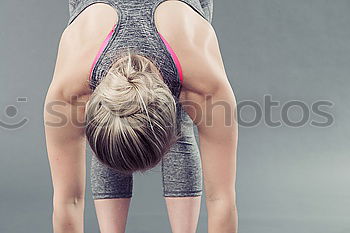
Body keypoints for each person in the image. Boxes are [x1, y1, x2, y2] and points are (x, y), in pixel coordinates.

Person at [44, 0, 238, 232]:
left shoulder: (205, 84)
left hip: (177, 25)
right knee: (114, 128)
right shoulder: (68, 91)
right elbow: (67, 201)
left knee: (177, 124)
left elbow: (222, 200)